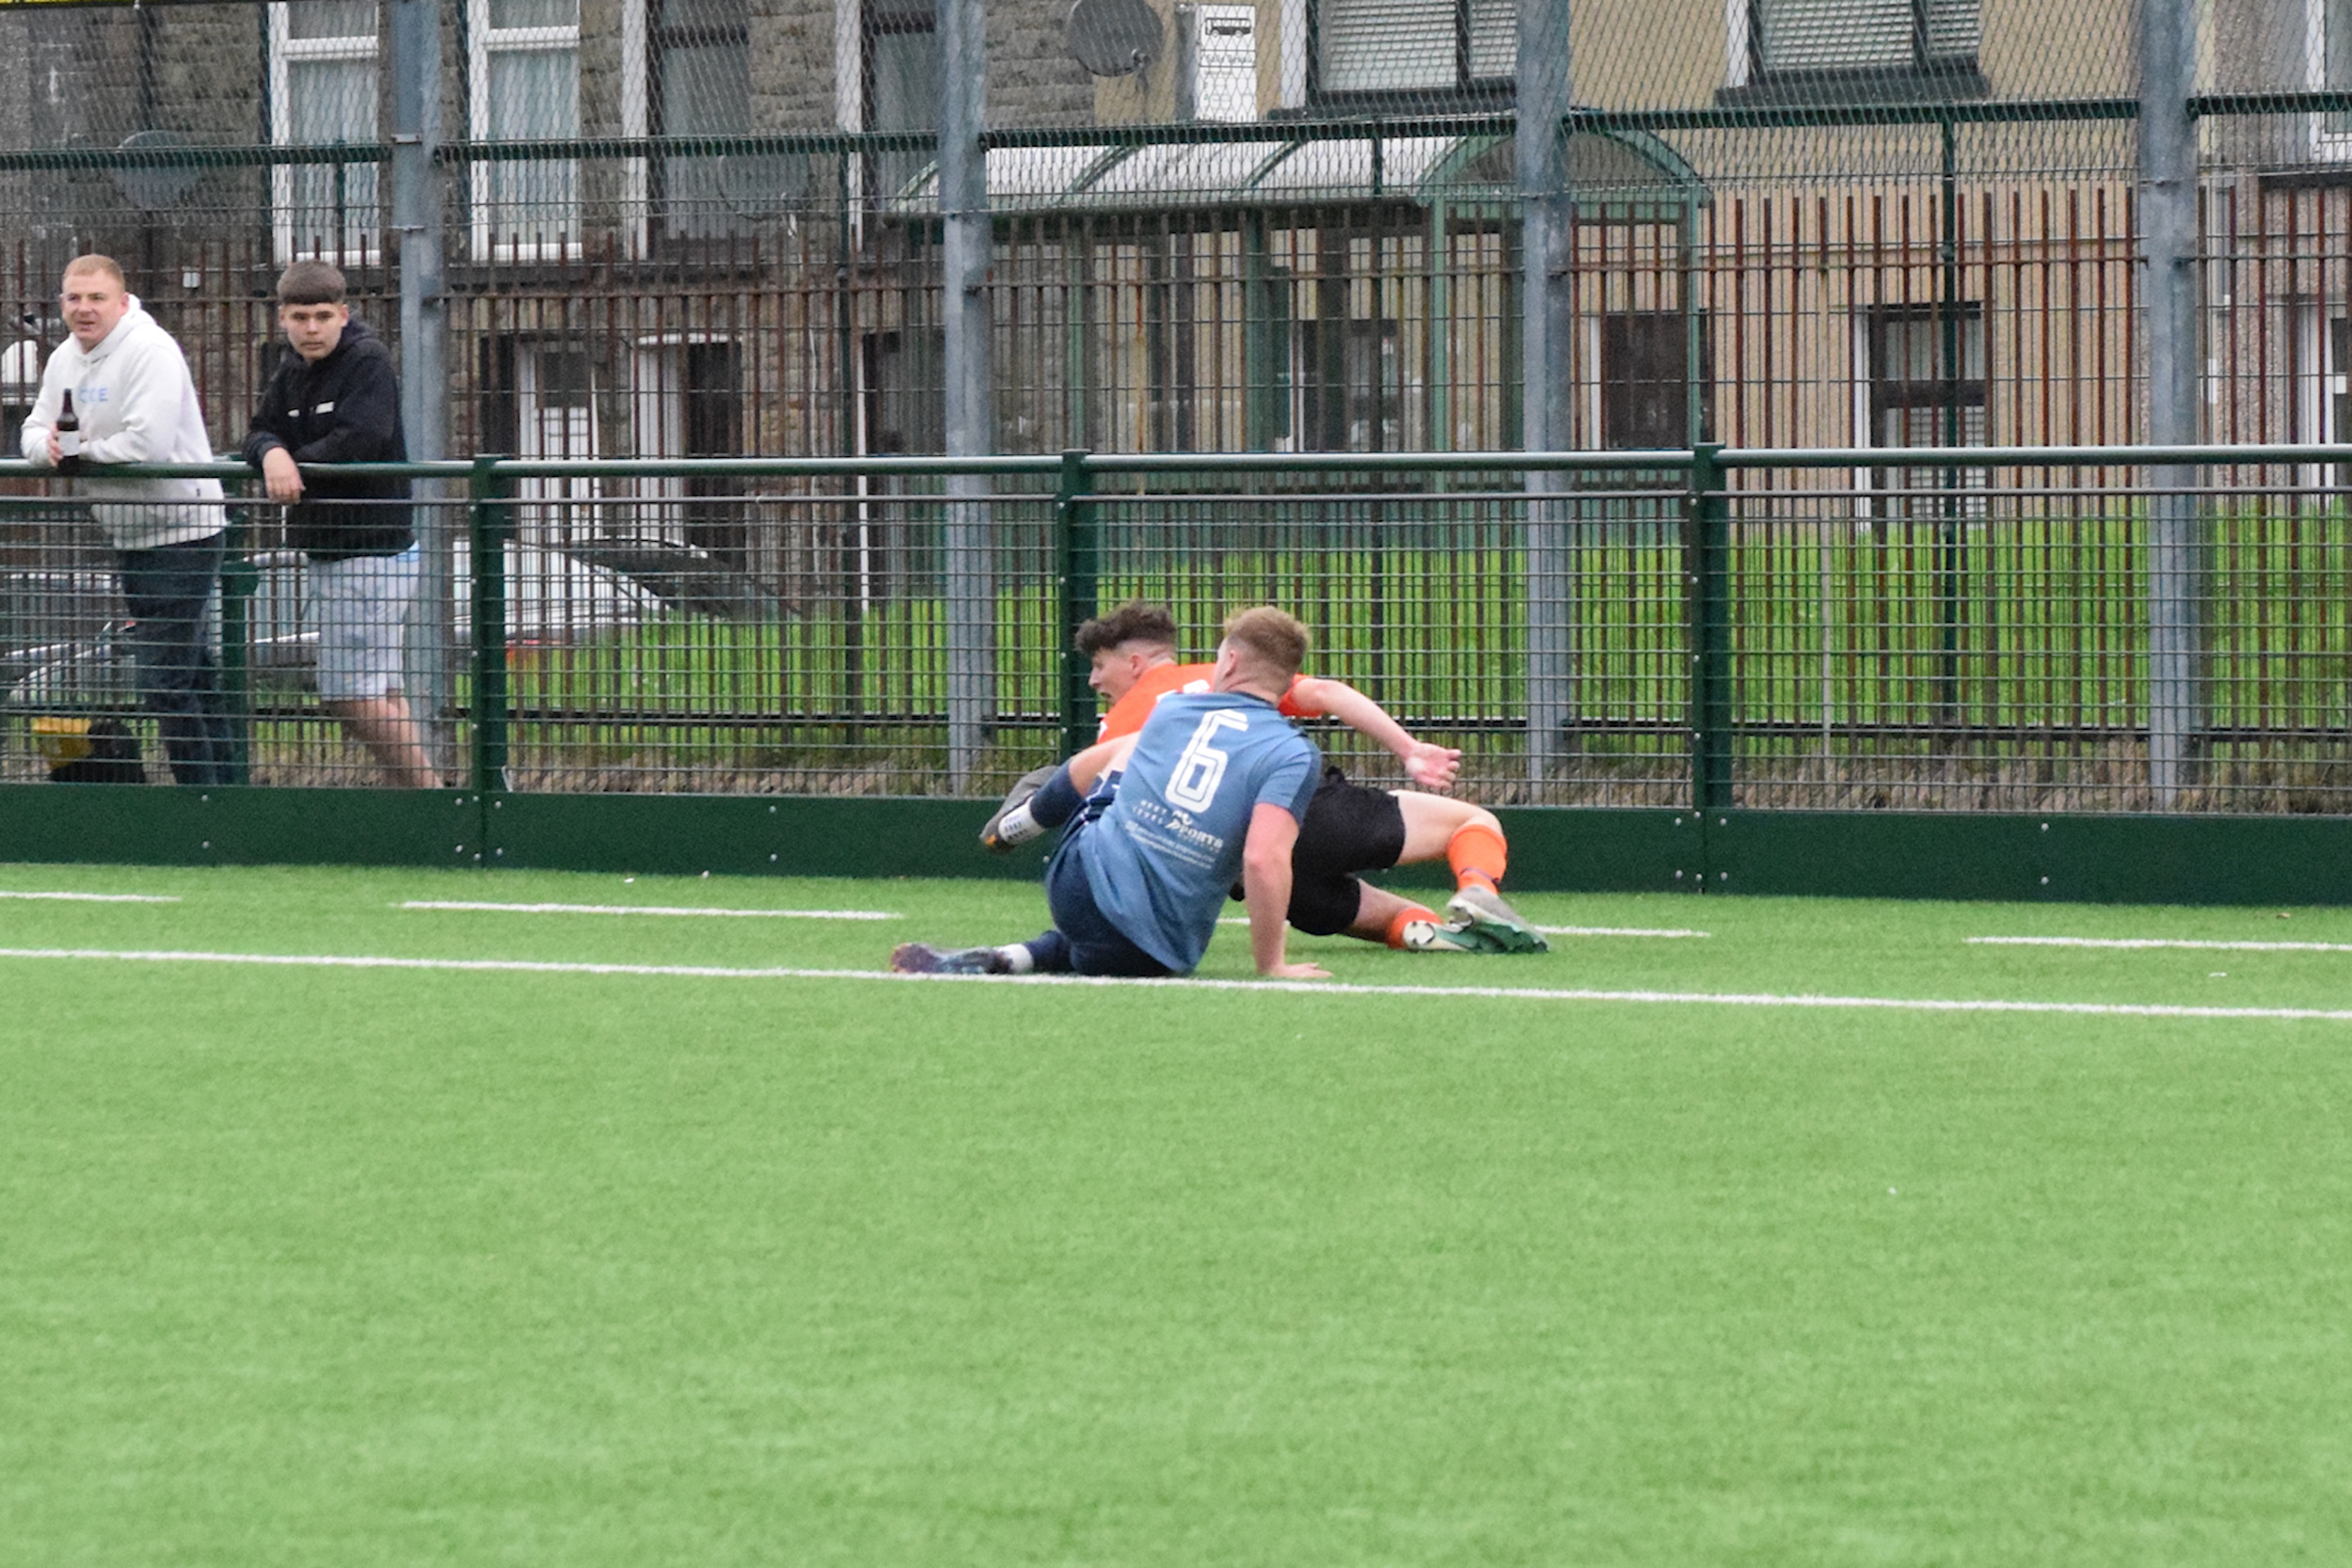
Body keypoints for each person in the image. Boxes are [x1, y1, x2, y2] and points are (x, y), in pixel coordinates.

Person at [992, 601, 1548, 956]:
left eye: (1099, 666)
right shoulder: (1207, 681)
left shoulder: (1138, 719)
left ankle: (1421, 932)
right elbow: (1327, 693)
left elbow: (1097, 786)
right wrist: (1409, 749)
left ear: (1135, 664)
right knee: (1472, 821)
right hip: (1295, 811)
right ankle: (1476, 891)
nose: (1093, 681)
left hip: (1225, 861)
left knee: (1378, 914)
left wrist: (1019, 822)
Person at [893, 607, 1331, 980]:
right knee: (1131, 921)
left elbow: (1090, 767)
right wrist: (1272, 964)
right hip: (1159, 952)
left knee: (1122, 749)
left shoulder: (1173, 708)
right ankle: (1022, 947)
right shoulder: (1294, 753)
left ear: (1231, 662)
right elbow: (1262, 858)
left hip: (1076, 880)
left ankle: (1016, 876)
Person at [21, 255, 234, 786]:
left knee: (164, 681)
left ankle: (200, 806)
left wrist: (78, 453)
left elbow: (148, 443)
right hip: (130, 535)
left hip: (185, 530)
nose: (84, 309)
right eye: (74, 298)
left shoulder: (150, 350)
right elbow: (33, 429)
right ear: (62, 303)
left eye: (96, 299)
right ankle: (229, 799)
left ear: (121, 302)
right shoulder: (64, 359)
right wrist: (46, 448)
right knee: (194, 676)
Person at [243, 260, 435, 787]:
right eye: (300, 316)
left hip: (371, 550)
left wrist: (290, 463)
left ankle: (434, 801)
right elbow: (258, 430)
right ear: (282, 318)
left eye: (323, 316)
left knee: (352, 697)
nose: (311, 328)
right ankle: (419, 809)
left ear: (344, 314)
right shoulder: (290, 370)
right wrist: (271, 454)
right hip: (329, 551)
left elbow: (362, 439)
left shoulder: (367, 361)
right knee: (380, 692)